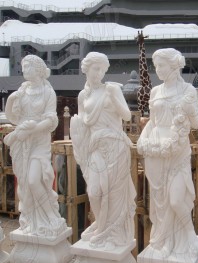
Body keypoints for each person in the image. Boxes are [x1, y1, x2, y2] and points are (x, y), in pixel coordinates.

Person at [137, 48, 198, 258]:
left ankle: (189, 236)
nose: (158, 70)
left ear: (174, 65)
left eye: (161, 65)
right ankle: (163, 242)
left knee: (175, 200)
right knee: (158, 201)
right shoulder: (155, 92)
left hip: (176, 149)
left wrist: (190, 109)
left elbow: (197, 123)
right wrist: (143, 138)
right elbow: (152, 122)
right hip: (156, 149)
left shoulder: (188, 91)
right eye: (156, 66)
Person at [70, 52, 136, 249]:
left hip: (115, 146)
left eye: (102, 69)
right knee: (94, 191)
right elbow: (82, 123)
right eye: (95, 69)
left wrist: (113, 98)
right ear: (87, 69)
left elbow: (125, 115)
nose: (99, 73)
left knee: (114, 193)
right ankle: (101, 224)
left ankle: (111, 232)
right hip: (95, 147)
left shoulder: (112, 90)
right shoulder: (83, 95)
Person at [4, 55, 66, 236]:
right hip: (22, 143)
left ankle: (50, 217)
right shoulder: (22, 91)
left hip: (39, 142)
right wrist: (10, 101)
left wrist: (32, 130)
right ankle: (32, 220)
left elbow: (51, 121)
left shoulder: (48, 92)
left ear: (38, 69)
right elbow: (13, 118)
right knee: (24, 184)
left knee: (34, 180)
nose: (23, 70)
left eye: (28, 66)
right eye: (23, 66)